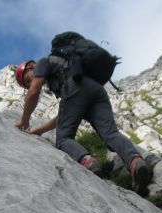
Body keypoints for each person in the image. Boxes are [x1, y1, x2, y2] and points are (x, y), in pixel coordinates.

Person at [14, 57, 151, 196]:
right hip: (95, 90)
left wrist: (24, 120)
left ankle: (88, 162)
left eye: (27, 80)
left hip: (74, 90)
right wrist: (40, 130)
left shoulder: (43, 63)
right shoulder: (63, 69)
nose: (30, 84)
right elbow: (65, 115)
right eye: (27, 84)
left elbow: (34, 91)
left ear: (31, 66)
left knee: (63, 140)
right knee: (111, 133)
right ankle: (135, 161)